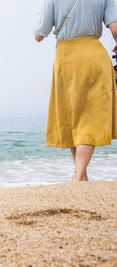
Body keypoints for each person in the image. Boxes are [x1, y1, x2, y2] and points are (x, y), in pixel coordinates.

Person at [34, 0, 117, 182]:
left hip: (67, 56)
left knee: (73, 116)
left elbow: (39, 35)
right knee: (88, 117)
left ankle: (77, 175)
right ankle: (82, 178)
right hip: (95, 55)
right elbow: (115, 27)